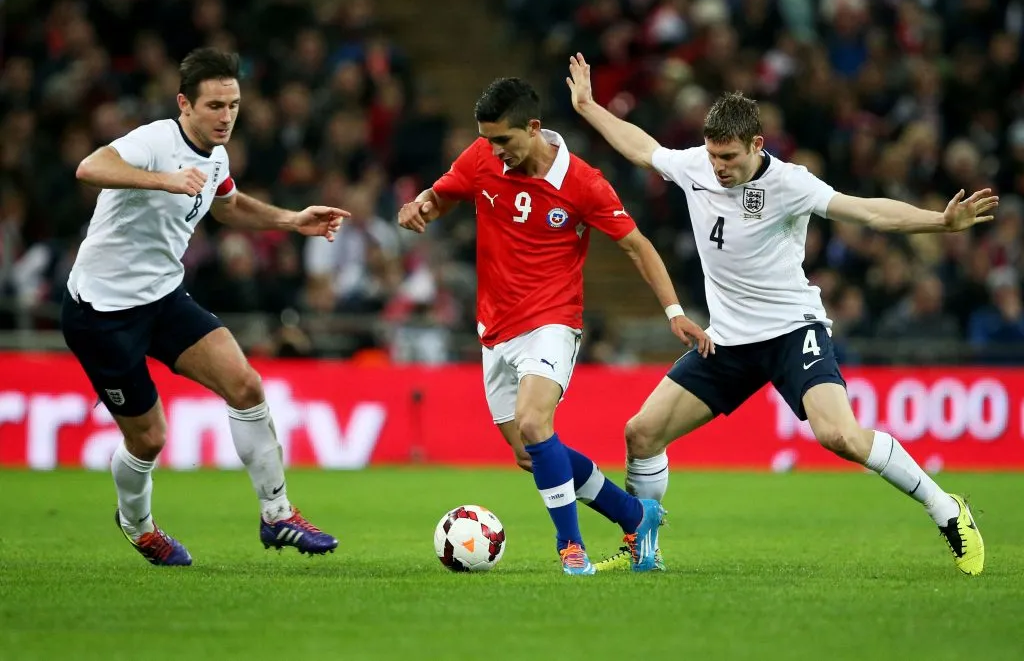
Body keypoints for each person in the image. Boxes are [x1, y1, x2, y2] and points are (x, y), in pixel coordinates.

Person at [567, 52, 992, 576]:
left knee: (840, 436)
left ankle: (946, 508)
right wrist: (588, 106)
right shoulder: (697, 166)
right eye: (713, 155)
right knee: (641, 433)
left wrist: (940, 223)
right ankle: (642, 548)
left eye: (729, 157)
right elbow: (642, 147)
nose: (718, 167)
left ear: (756, 146)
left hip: (794, 333)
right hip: (728, 342)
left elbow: (869, 210)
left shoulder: (791, 184)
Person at [398, 77, 713, 574]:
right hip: (494, 328)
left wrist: (675, 312)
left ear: (535, 127)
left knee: (534, 422)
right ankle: (635, 516)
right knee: (532, 453)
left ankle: (572, 549)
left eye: (504, 140)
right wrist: (420, 207)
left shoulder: (583, 182)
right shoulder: (482, 157)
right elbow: (443, 193)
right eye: (488, 140)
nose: (495, 151)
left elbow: (637, 246)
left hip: (551, 320)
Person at [62, 48, 348, 566]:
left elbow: (229, 204)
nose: (226, 116)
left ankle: (277, 516)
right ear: (184, 104)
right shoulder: (154, 141)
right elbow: (89, 166)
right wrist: (164, 180)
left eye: (233, 104)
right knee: (149, 439)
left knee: (246, 385)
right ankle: (138, 525)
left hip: (164, 298)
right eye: (215, 105)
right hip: (102, 313)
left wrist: (292, 220)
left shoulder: (216, 155)